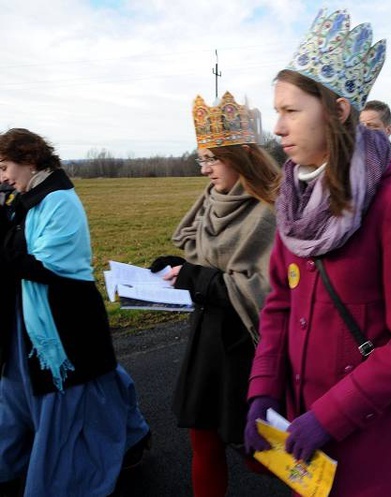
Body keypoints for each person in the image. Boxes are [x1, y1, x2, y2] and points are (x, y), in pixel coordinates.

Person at [243, 9, 391, 497]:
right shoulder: (293, 195)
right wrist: (263, 388)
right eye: (277, 111)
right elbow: (279, 304)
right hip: (296, 435)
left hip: (361, 438)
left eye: (292, 111)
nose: (277, 126)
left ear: (337, 111)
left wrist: (330, 418)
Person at [0, 128, 151, 496]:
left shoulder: (58, 200)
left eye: (4, 167)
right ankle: (130, 439)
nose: (2, 176)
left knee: (67, 401)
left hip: (63, 320)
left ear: (30, 159)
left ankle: (69, 476)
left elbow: (44, 266)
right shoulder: (27, 198)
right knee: (36, 392)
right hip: (34, 319)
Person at [149, 91, 280, 497]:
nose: (204, 168)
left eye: (212, 158)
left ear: (239, 158)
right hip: (206, 342)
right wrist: (175, 264)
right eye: (201, 158)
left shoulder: (269, 210)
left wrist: (193, 277)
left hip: (247, 346)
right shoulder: (210, 201)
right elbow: (204, 261)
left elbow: (262, 288)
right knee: (202, 443)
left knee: (261, 456)